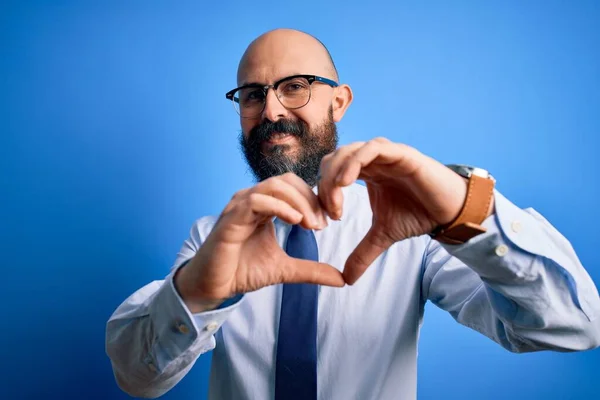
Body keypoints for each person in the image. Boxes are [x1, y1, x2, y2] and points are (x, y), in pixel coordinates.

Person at [105, 28, 600, 400]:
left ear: (339, 102)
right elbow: (137, 377)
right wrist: (199, 291)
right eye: (253, 94)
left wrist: (460, 207)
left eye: (294, 86)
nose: (272, 110)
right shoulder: (213, 238)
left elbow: (573, 325)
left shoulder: (414, 229)